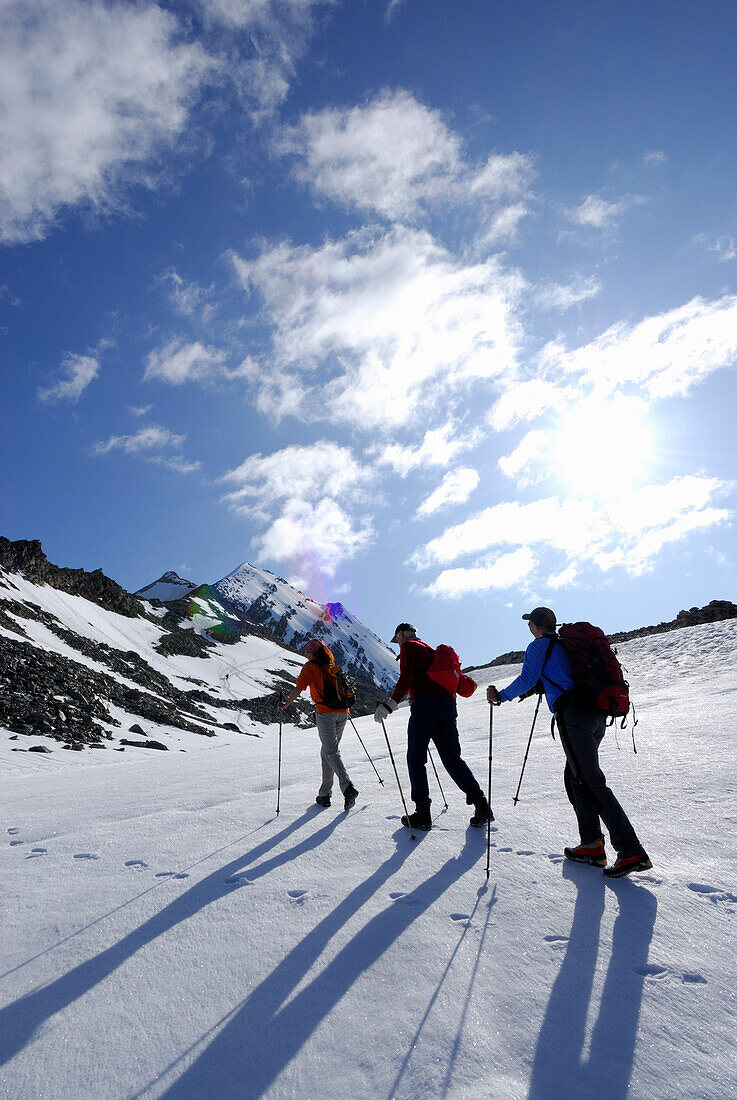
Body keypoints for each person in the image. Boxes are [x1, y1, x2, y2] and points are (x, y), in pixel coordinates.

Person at [486, 607, 651, 878]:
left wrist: (501, 696)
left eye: (531, 623)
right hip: (595, 716)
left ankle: (630, 850)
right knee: (575, 778)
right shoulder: (565, 646)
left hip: (573, 717)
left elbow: (528, 677)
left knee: (590, 781)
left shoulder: (538, 647)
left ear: (536, 626)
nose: (530, 628)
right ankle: (592, 845)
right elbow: (556, 678)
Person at [375, 623, 490, 831]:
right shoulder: (431, 651)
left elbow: (407, 676)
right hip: (447, 706)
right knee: (452, 758)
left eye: (397, 638)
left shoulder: (409, 647)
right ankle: (481, 804)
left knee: (416, 758)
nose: (398, 642)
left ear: (401, 634)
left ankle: (423, 814)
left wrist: (390, 704)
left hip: (425, 706)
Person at [278, 639, 359, 812]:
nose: (306, 654)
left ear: (313, 653)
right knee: (327, 752)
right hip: (343, 712)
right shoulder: (332, 667)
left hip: (325, 712)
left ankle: (348, 788)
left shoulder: (310, 667)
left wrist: (286, 704)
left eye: (308, 651)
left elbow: (299, 688)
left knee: (331, 752)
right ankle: (324, 794)